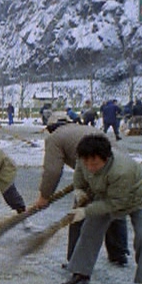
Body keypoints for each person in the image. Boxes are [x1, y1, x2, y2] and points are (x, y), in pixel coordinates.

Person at [61, 134, 142, 284]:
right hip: (106, 194)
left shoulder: (121, 171)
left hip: (137, 199)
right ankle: (81, 272)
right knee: (90, 229)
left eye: (95, 164)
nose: (90, 167)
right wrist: (79, 190)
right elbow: (79, 174)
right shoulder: (83, 160)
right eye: (87, 163)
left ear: (106, 158)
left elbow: (115, 204)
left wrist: (86, 211)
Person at [34, 113, 129, 267]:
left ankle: (76, 260)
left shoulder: (55, 138)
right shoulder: (84, 129)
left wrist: (44, 196)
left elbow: (53, 170)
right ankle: (119, 254)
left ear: (52, 127)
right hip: (120, 168)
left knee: (79, 215)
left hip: (95, 173)